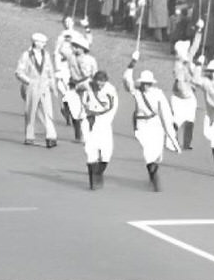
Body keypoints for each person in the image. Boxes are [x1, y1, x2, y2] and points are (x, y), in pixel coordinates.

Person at [122, 57, 176, 191]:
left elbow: (165, 108)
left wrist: (171, 122)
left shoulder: (158, 93)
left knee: (157, 153)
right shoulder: (136, 91)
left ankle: (152, 173)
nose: (147, 85)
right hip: (142, 124)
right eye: (145, 83)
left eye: (149, 83)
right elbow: (126, 79)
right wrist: (132, 63)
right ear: (141, 83)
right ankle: (154, 175)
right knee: (148, 151)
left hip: (156, 123)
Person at [15, 32, 59, 147]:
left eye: (45, 43)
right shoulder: (26, 55)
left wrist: (53, 85)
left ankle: (51, 136)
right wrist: (29, 82)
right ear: (36, 42)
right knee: (30, 111)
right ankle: (29, 136)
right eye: (42, 42)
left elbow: (50, 71)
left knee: (47, 111)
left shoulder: (46, 55)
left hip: (44, 86)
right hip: (31, 86)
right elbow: (19, 72)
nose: (44, 44)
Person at [79, 69, 120, 189]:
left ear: (106, 82)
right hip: (89, 120)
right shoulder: (88, 85)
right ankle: (93, 181)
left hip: (104, 122)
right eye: (97, 81)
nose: (99, 84)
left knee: (107, 153)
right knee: (90, 151)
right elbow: (78, 89)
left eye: (102, 82)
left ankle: (99, 173)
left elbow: (113, 108)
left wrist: (105, 120)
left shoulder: (110, 90)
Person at [169, 28, 203, 150]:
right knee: (177, 119)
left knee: (190, 118)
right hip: (181, 95)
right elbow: (180, 83)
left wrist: (199, 31)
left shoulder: (187, 58)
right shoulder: (178, 65)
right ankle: (171, 138)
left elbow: (195, 47)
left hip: (189, 94)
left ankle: (187, 143)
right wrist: (198, 67)